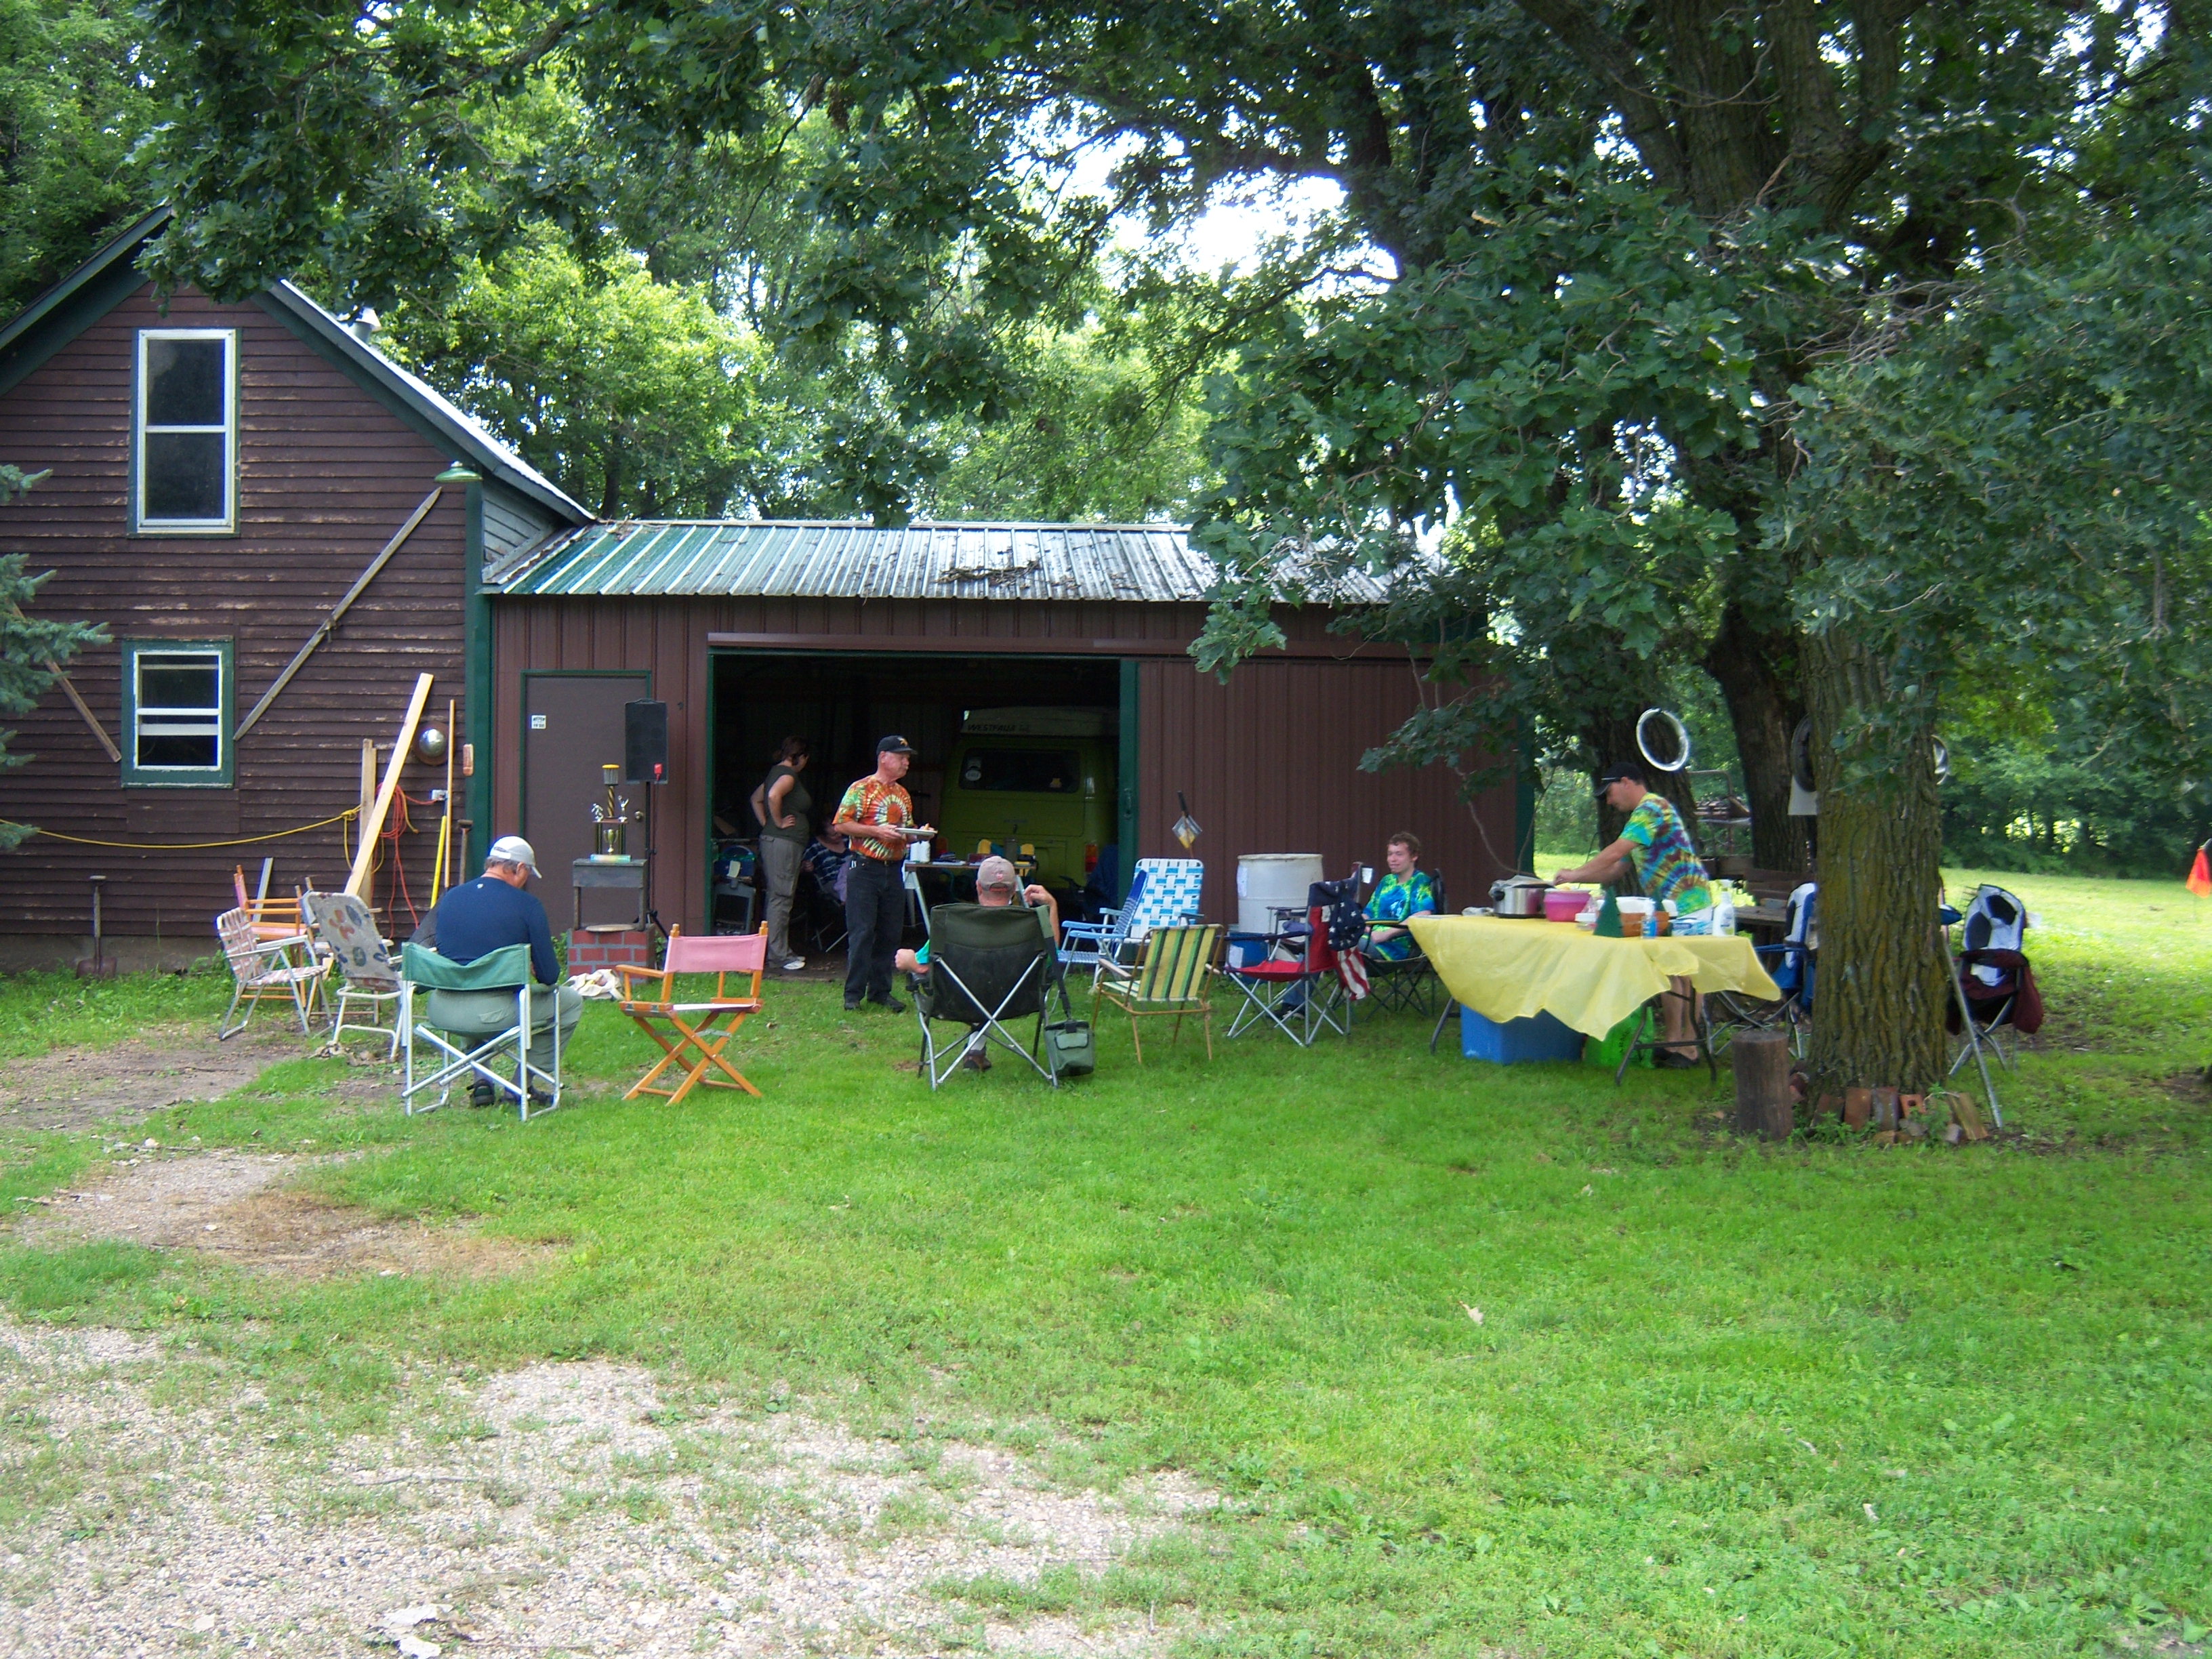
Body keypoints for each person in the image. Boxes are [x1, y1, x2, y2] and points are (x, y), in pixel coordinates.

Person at [1552, 762, 1715, 1065]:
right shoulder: (1640, 820)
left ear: (1626, 782)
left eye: (1610, 792)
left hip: (1690, 901)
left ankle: (1690, 1047)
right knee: (1668, 970)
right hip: (1665, 905)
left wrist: (1575, 872)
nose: (1609, 801)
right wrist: (1573, 878)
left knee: (1688, 974)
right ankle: (1673, 1043)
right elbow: (1615, 869)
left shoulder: (1652, 808)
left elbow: (1615, 851)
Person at [410, 836, 582, 1104]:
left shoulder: (451, 899)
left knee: (467, 981)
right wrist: (532, 967)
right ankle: (519, 1086)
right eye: (527, 874)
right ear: (520, 868)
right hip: (493, 1014)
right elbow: (550, 977)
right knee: (570, 1002)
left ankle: (482, 1081)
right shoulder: (527, 905)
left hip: (442, 1010)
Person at [895, 854, 1060, 1069]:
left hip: (958, 1000)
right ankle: (975, 1053)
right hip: (1016, 1001)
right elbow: (1052, 957)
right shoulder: (1031, 926)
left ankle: (975, 1052)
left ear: (978, 887)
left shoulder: (954, 924)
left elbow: (923, 966)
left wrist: (910, 962)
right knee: (988, 982)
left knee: (977, 982)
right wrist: (1052, 905)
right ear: (1014, 890)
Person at [829, 735, 935, 1012]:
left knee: (889, 933)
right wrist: (877, 831)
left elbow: (905, 833)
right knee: (862, 932)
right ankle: (853, 995)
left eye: (907, 758)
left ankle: (880, 992)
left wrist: (918, 834)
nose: (906, 762)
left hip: (893, 869)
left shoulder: (902, 794)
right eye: (901, 757)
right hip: (864, 868)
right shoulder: (861, 788)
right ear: (883, 757)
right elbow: (841, 825)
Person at [749, 736, 813, 974]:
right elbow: (773, 796)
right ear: (801, 757)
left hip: (780, 842)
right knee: (781, 898)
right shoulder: (788, 775)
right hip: (783, 843)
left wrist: (767, 824)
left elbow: (756, 799)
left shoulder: (774, 773)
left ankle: (781, 952)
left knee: (780, 897)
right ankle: (779, 956)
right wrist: (777, 823)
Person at [1364, 830, 1438, 961]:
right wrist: (1364, 926)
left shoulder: (1420, 882)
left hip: (1396, 946)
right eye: (1390, 854)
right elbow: (1368, 913)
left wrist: (1386, 934)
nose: (1392, 859)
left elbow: (1423, 915)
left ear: (1414, 857)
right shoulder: (1387, 881)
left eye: (1399, 854)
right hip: (1369, 937)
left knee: (1347, 948)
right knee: (1332, 941)